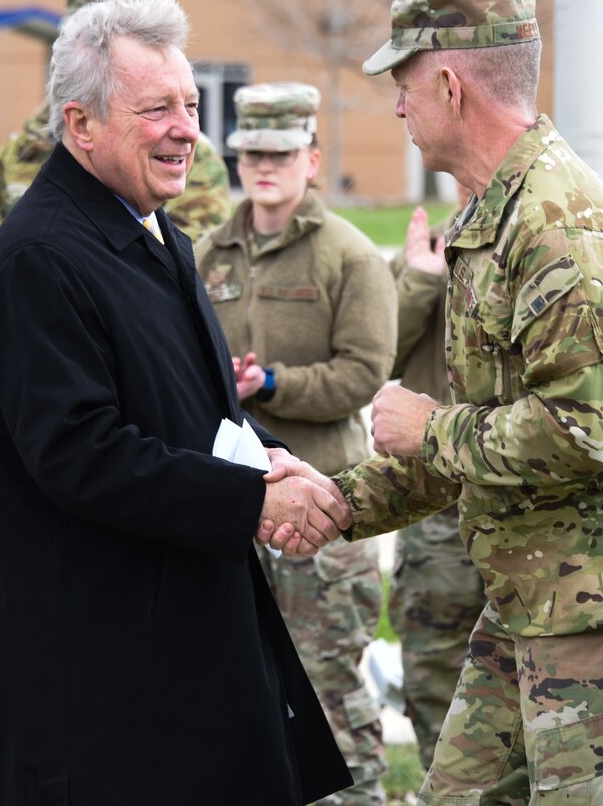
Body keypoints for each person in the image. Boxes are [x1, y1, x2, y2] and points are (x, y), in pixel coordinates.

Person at [325, 0, 603, 803]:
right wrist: (336, 504)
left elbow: (577, 434)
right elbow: (486, 440)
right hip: (532, 597)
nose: (397, 110)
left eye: (401, 86)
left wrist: (429, 428)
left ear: (447, 84)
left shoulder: (558, 230)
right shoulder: (491, 217)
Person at [0, 0, 353, 805]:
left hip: (170, 647)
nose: (186, 130)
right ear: (82, 124)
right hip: (92, 683)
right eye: (157, 108)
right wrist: (251, 500)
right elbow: (80, 452)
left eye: (192, 105)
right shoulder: (44, 259)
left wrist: (268, 457)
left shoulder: (154, 232)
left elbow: (190, 407)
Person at [195, 83, 398, 805]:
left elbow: (365, 374)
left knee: (330, 691)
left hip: (324, 507)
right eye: (251, 153)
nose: (264, 166)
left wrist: (272, 385)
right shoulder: (205, 252)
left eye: (280, 153)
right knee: (236, 695)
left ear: (312, 159)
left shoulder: (348, 255)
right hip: (238, 510)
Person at [0, 0, 231, 287]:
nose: (184, 129)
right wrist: (27, 281)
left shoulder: (189, 152)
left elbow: (199, 252)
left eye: (192, 105)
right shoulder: (22, 149)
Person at [385, 186, 486, 772]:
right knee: (432, 680)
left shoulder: (545, 243)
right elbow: (379, 354)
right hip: (435, 511)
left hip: (524, 510)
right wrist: (421, 278)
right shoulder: (433, 249)